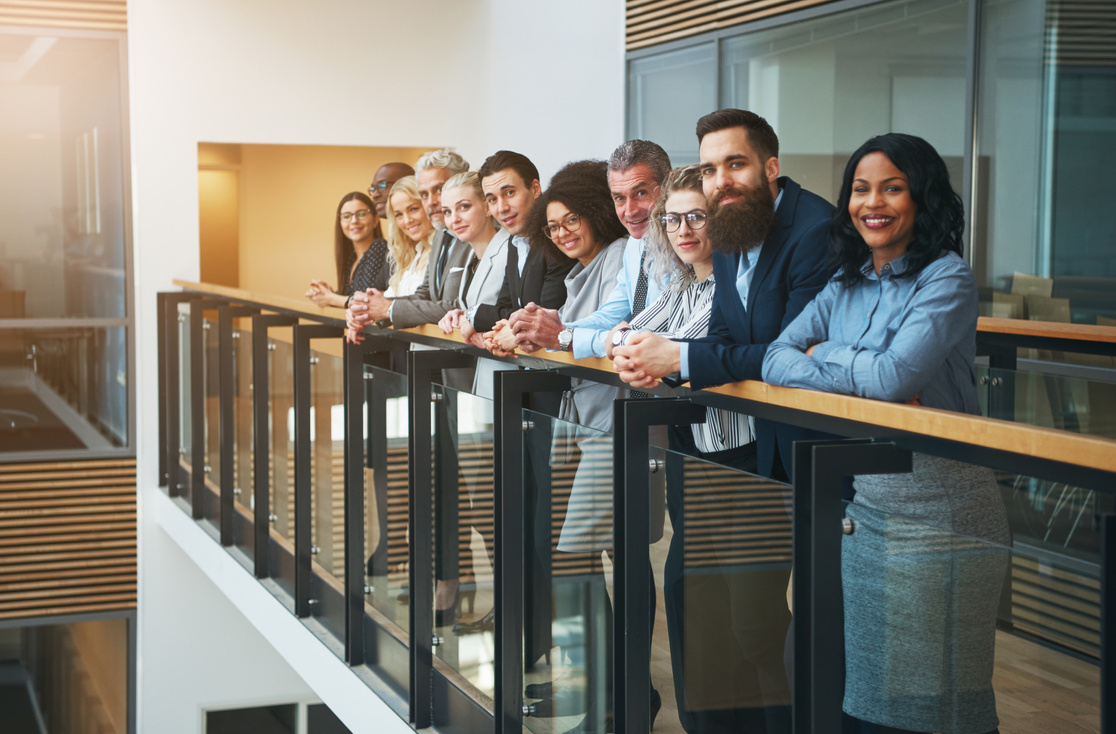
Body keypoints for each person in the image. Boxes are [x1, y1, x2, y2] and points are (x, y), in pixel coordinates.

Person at [762, 133, 1010, 734]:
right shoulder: (844, 280)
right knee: (869, 699)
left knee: (936, 702)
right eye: (861, 188)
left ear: (920, 198)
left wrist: (826, 355)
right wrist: (862, 364)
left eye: (892, 187)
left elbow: (896, 379)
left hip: (940, 508)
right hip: (868, 504)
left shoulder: (945, 278)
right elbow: (774, 358)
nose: (872, 202)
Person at [610, 166, 787, 734]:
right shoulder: (683, 286)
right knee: (697, 605)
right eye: (673, 218)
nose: (683, 229)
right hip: (696, 461)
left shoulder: (737, 291)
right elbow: (627, 337)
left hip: (746, 466)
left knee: (752, 621)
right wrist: (638, 349)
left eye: (696, 216)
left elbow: (701, 356)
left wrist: (667, 358)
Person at [612, 108, 836, 483]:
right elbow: (723, 334)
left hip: (815, 443)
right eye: (709, 170)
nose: (721, 181)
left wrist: (677, 356)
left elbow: (789, 354)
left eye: (735, 164)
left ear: (770, 167)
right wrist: (668, 363)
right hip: (766, 439)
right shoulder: (735, 220)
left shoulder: (816, 229)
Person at [506, 140, 671, 356]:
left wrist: (563, 336)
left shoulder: (684, 245)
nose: (629, 211)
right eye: (619, 198)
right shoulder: (635, 246)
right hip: (640, 383)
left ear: (669, 184)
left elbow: (649, 335)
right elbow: (609, 316)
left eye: (640, 193)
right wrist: (548, 331)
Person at [347, 149, 470, 330]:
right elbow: (424, 295)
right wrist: (368, 309)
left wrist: (388, 308)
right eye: (425, 194)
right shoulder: (441, 238)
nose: (432, 201)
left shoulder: (476, 236)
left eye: (439, 189)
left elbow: (463, 306)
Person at [472, 151, 574, 357]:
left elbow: (544, 316)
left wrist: (475, 316)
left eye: (509, 193)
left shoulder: (557, 239)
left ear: (535, 188)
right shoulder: (515, 241)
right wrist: (498, 335)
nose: (502, 208)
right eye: (492, 199)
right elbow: (505, 306)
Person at [305, 192, 388, 309]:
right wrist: (326, 294)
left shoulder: (379, 247)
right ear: (340, 223)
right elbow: (351, 299)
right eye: (347, 216)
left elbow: (365, 301)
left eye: (362, 214)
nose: (354, 221)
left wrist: (331, 298)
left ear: (375, 220)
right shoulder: (352, 258)